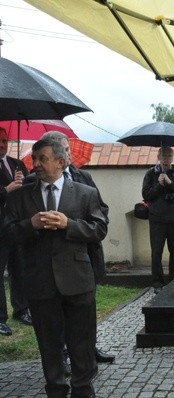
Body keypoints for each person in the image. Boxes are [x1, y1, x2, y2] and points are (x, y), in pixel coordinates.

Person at [1, 138, 108, 398]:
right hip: (39, 279)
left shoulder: (85, 193)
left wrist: (68, 224)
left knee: (81, 339)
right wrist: (31, 224)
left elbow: (98, 230)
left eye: (41, 158)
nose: (34, 164)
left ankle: (84, 390)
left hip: (77, 277)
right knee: (48, 340)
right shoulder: (19, 196)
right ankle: (55, 392)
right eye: (33, 158)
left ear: (60, 162)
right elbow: (8, 234)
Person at [34, 132, 115, 365]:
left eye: (69, 149)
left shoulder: (83, 177)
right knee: (55, 314)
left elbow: (101, 210)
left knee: (83, 312)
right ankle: (61, 356)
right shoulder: (34, 183)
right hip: (51, 263)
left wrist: (72, 223)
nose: (67, 154)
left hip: (84, 254)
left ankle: (88, 350)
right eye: (63, 149)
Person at [0, 126, 31, 336]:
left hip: (16, 225)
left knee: (19, 269)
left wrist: (24, 181)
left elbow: (29, 189)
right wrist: (6, 189)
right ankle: (0, 318)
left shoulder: (17, 164)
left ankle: (21, 309)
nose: (2, 145)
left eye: (4, 140)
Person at [141, 146, 174, 290]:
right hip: (157, 219)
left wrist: (170, 183)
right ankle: (157, 283)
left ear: (172, 158)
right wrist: (159, 185)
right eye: (164, 156)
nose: (166, 159)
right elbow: (146, 195)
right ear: (158, 157)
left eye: (169, 156)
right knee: (156, 252)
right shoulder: (150, 174)